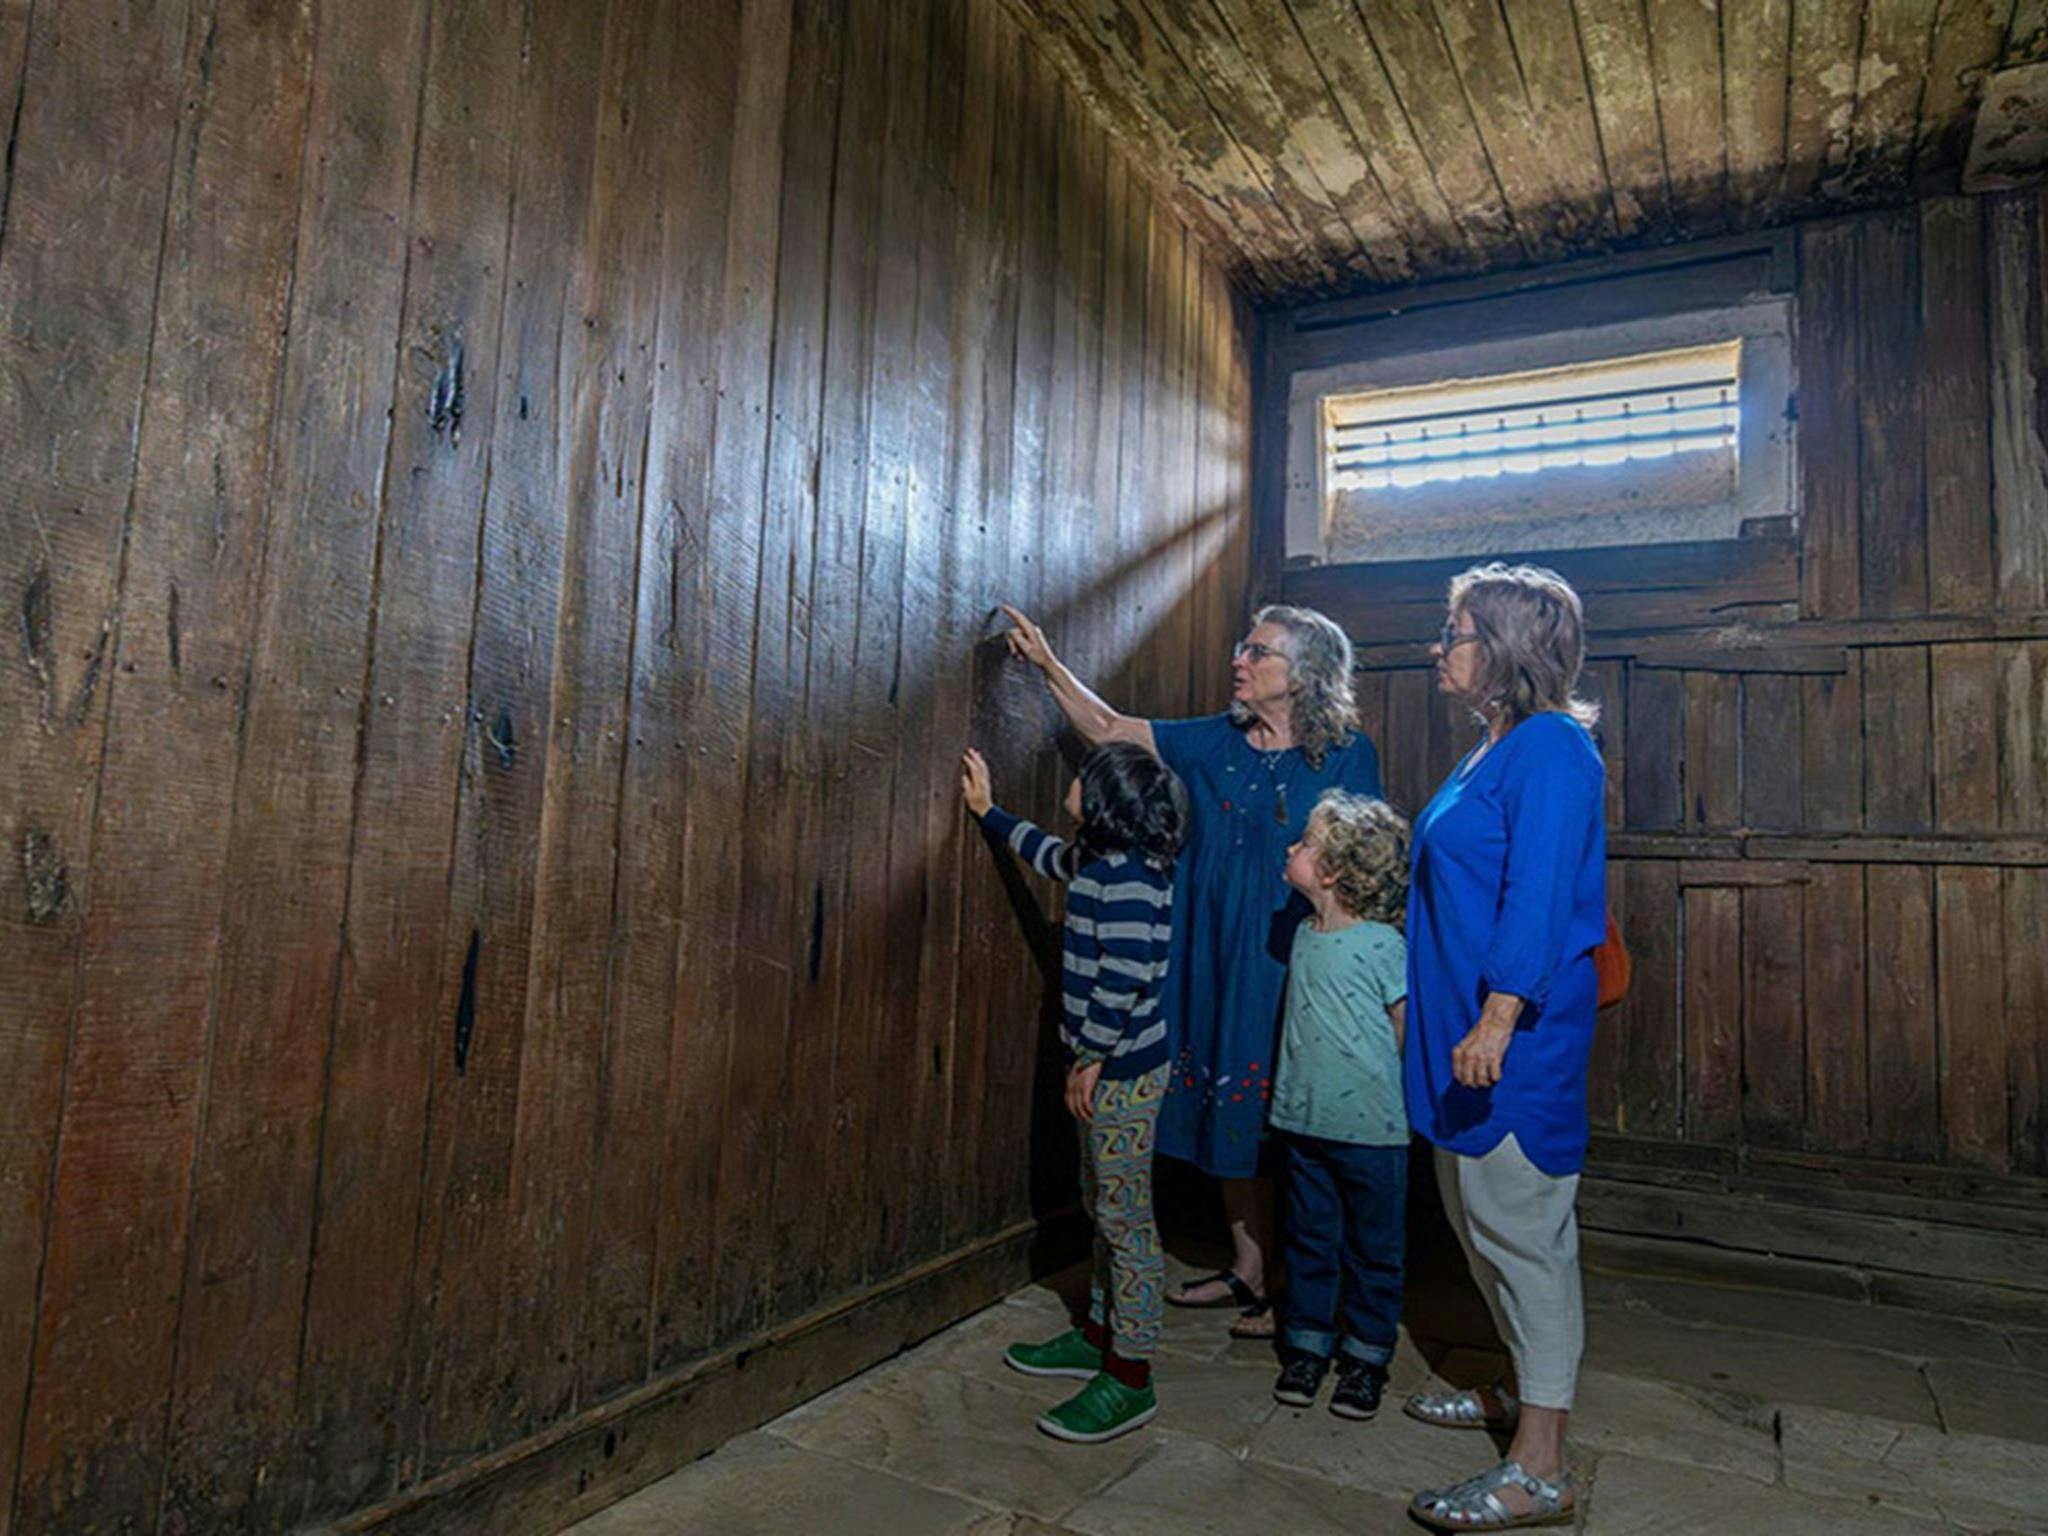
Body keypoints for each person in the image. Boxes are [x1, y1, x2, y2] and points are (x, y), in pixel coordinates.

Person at [998, 603, 1380, 1338]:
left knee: (1291, 1117)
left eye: (1258, 652)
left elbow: (1365, 858)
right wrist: (1046, 663)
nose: (1240, 660)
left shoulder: (1345, 754)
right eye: (1243, 646)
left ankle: (1303, 1289)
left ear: (1304, 674)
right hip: (1202, 950)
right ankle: (1249, 1267)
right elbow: (1110, 727)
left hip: (1290, 957)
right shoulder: (1215, 740)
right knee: (1228, 1108)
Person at [1401, 563, 1606, 1532]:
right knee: (1481, 1228)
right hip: (1460, 1034)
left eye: (1455, 632)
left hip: (1512, 1041)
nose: (1439, 648)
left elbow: (1538, 895)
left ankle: (1540, 1467)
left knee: (1525, 1241)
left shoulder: (1553, 749)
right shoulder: (1493, 747)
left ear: (1507, 648)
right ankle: (1517, 1394)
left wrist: (1495, 1017)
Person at [960, 741, 1188, 1444]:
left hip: (1121, 1071)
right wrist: (989, 811)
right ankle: (1098, 1334)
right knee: (1101, 1204)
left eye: (1085, 780)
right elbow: (1048, 856)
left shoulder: (1132, 879)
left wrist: (1089, 1058)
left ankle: (1130, 1374)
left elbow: (1123, 981)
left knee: (1126, 1220)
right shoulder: (1097, 860)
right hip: (1102, 1067)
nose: (1074, 786)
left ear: (1107, 799)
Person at [1267, 791, 1411, 1422]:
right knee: (1309, 1240)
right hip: (1304, 1123)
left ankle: (1366, 1359)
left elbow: (1402, 1025)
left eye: (1305, 843)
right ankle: (1307, 1349)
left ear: (1331, 872)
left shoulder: (1382, 945)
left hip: (1372, 1131)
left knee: (1374, 1249)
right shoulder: (1303, 934)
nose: (1292, 848)